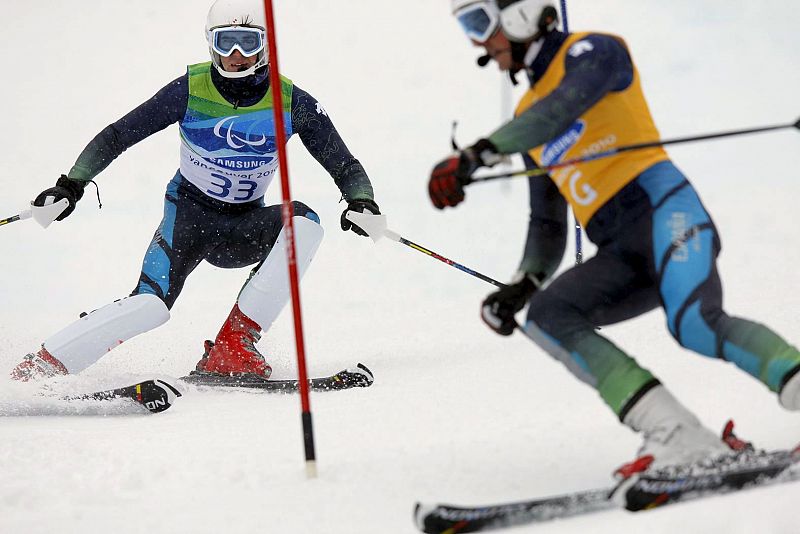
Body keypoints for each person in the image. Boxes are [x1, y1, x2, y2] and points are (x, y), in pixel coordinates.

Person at [430, 0, 800, 471]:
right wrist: (522, 285)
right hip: (619, 250)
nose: (478, 42)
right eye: (467, 28)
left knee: (695, 325)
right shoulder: (526, 118)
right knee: (547, 315)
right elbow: (547, 223)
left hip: (668, 215)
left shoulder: (595, 51)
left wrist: (481, 153)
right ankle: (677, 435)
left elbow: (564, 105)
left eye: (480, 22)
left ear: (520, 14)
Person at [11, 0, 380, 382]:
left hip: (244, 226)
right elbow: (119, 134)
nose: (236, 55)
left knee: (304, 224)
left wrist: (361, 200)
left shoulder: (292, 102)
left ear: (266, 45)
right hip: (188, 220)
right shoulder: (189, 90)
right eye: (226, 43)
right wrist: (70, 185)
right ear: (210, 43)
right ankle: (40, 368)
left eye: (247, 43)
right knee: (150, 306)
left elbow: (343, 163)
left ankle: (233, 347)